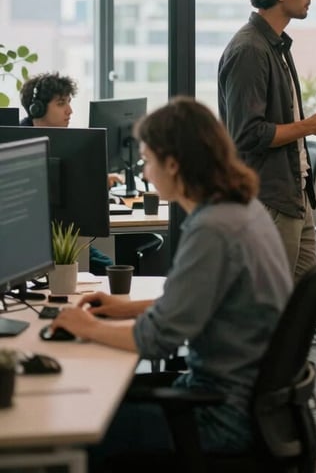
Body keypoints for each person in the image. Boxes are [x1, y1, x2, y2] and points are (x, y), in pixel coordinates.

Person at [52, 97, 293, 466]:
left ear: (174, 164)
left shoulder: (212, 229)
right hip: (249, 404)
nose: (146, 173)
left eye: (148, 160)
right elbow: (206, 303)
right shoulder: (243, 209)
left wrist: (85, 325)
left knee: (75, 427)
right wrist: (125, 308)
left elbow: (154, 340)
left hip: (218, 418)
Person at [218, 0, 316, 456]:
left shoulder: (276, 44)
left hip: (293, 197)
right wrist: (310, 126)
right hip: (268, 200)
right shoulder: (250, 49)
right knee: (270, 323)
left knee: (293, 324)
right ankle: (266, 429)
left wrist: (308, 125)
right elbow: (245, 135)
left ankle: (292, 421)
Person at [19, 72, 115, 275]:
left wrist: (95, 183)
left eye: (69, 103)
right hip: (31, 243)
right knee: (108, 270)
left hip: (65, 239)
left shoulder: (66, 143)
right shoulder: (15, 145)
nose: (70, 111)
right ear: (37, 108)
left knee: (112, 269)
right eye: (61, 103)